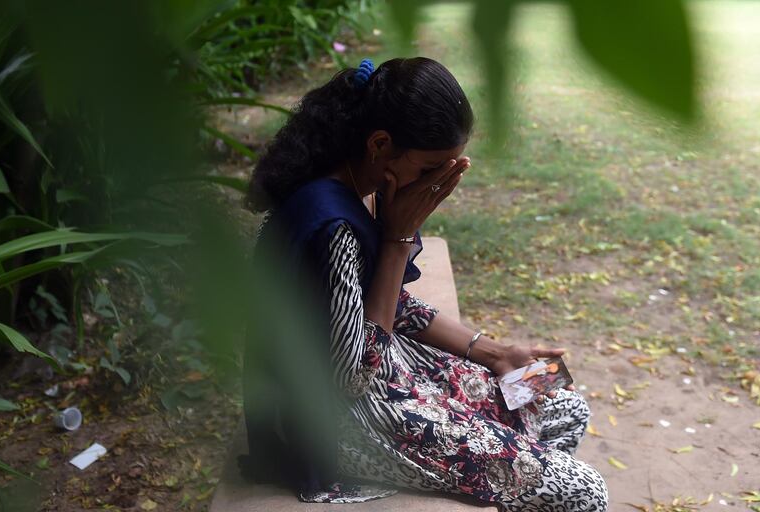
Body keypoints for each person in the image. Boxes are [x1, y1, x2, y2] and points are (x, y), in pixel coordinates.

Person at [240, 56, 609, 511]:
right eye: (430, 169)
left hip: (388, 376)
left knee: (554, 391)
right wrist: (396, 238)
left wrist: (497, 353)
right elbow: (353, 377)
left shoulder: (350, 181)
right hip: (339, 423)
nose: (436, 185)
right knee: (585, 491)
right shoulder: (332, 224)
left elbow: (385, 303)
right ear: (380, 144)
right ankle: (529, 483)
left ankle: (522, 483)